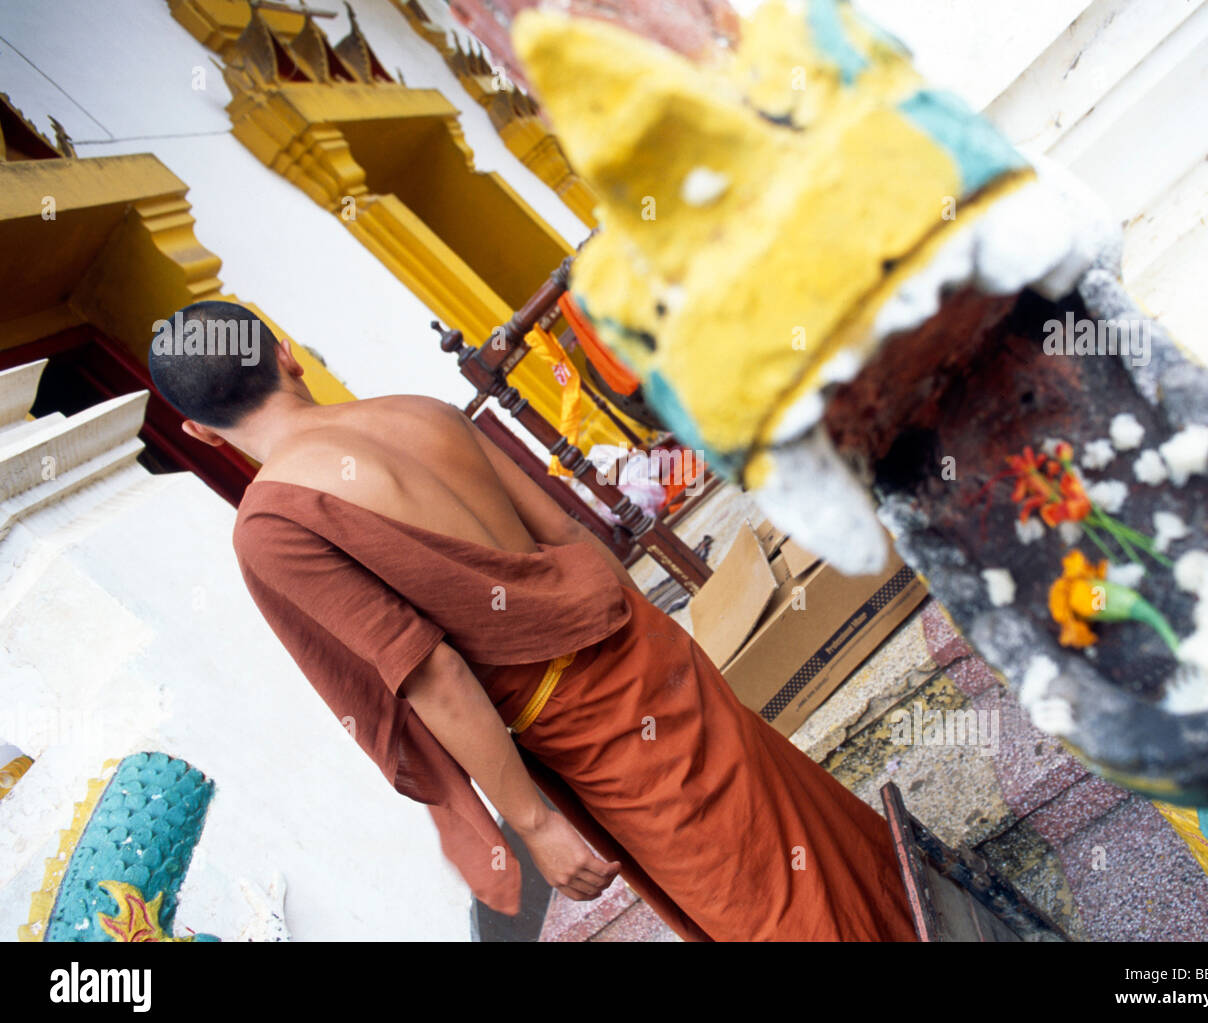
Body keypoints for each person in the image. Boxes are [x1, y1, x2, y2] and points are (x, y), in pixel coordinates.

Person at [149, 299, 919, 942]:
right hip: (641, 648)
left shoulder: (273, 524)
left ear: (201, 433)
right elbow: (568, 537)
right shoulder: (424, 412)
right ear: (287, 355)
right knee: (802, 830)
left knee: (760, 898)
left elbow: (431, 671)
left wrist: (535, 824)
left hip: (583, 722)